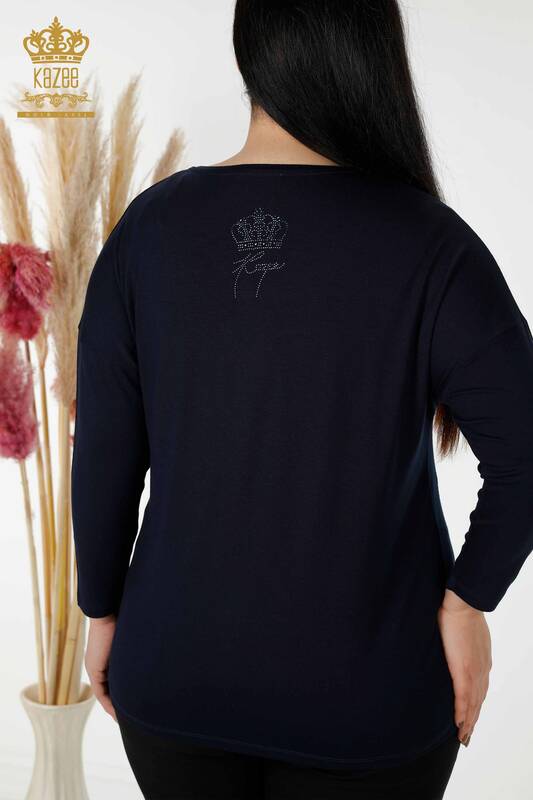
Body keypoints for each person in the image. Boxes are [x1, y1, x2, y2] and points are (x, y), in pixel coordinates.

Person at [72, 1, 533, 798]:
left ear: (249, 53)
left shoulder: (148, 230)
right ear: (373, 58)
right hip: (372, 698)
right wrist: (468, 603)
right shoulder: (430, 242)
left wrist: (103, 610)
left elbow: (105, 451)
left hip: (175, 677)